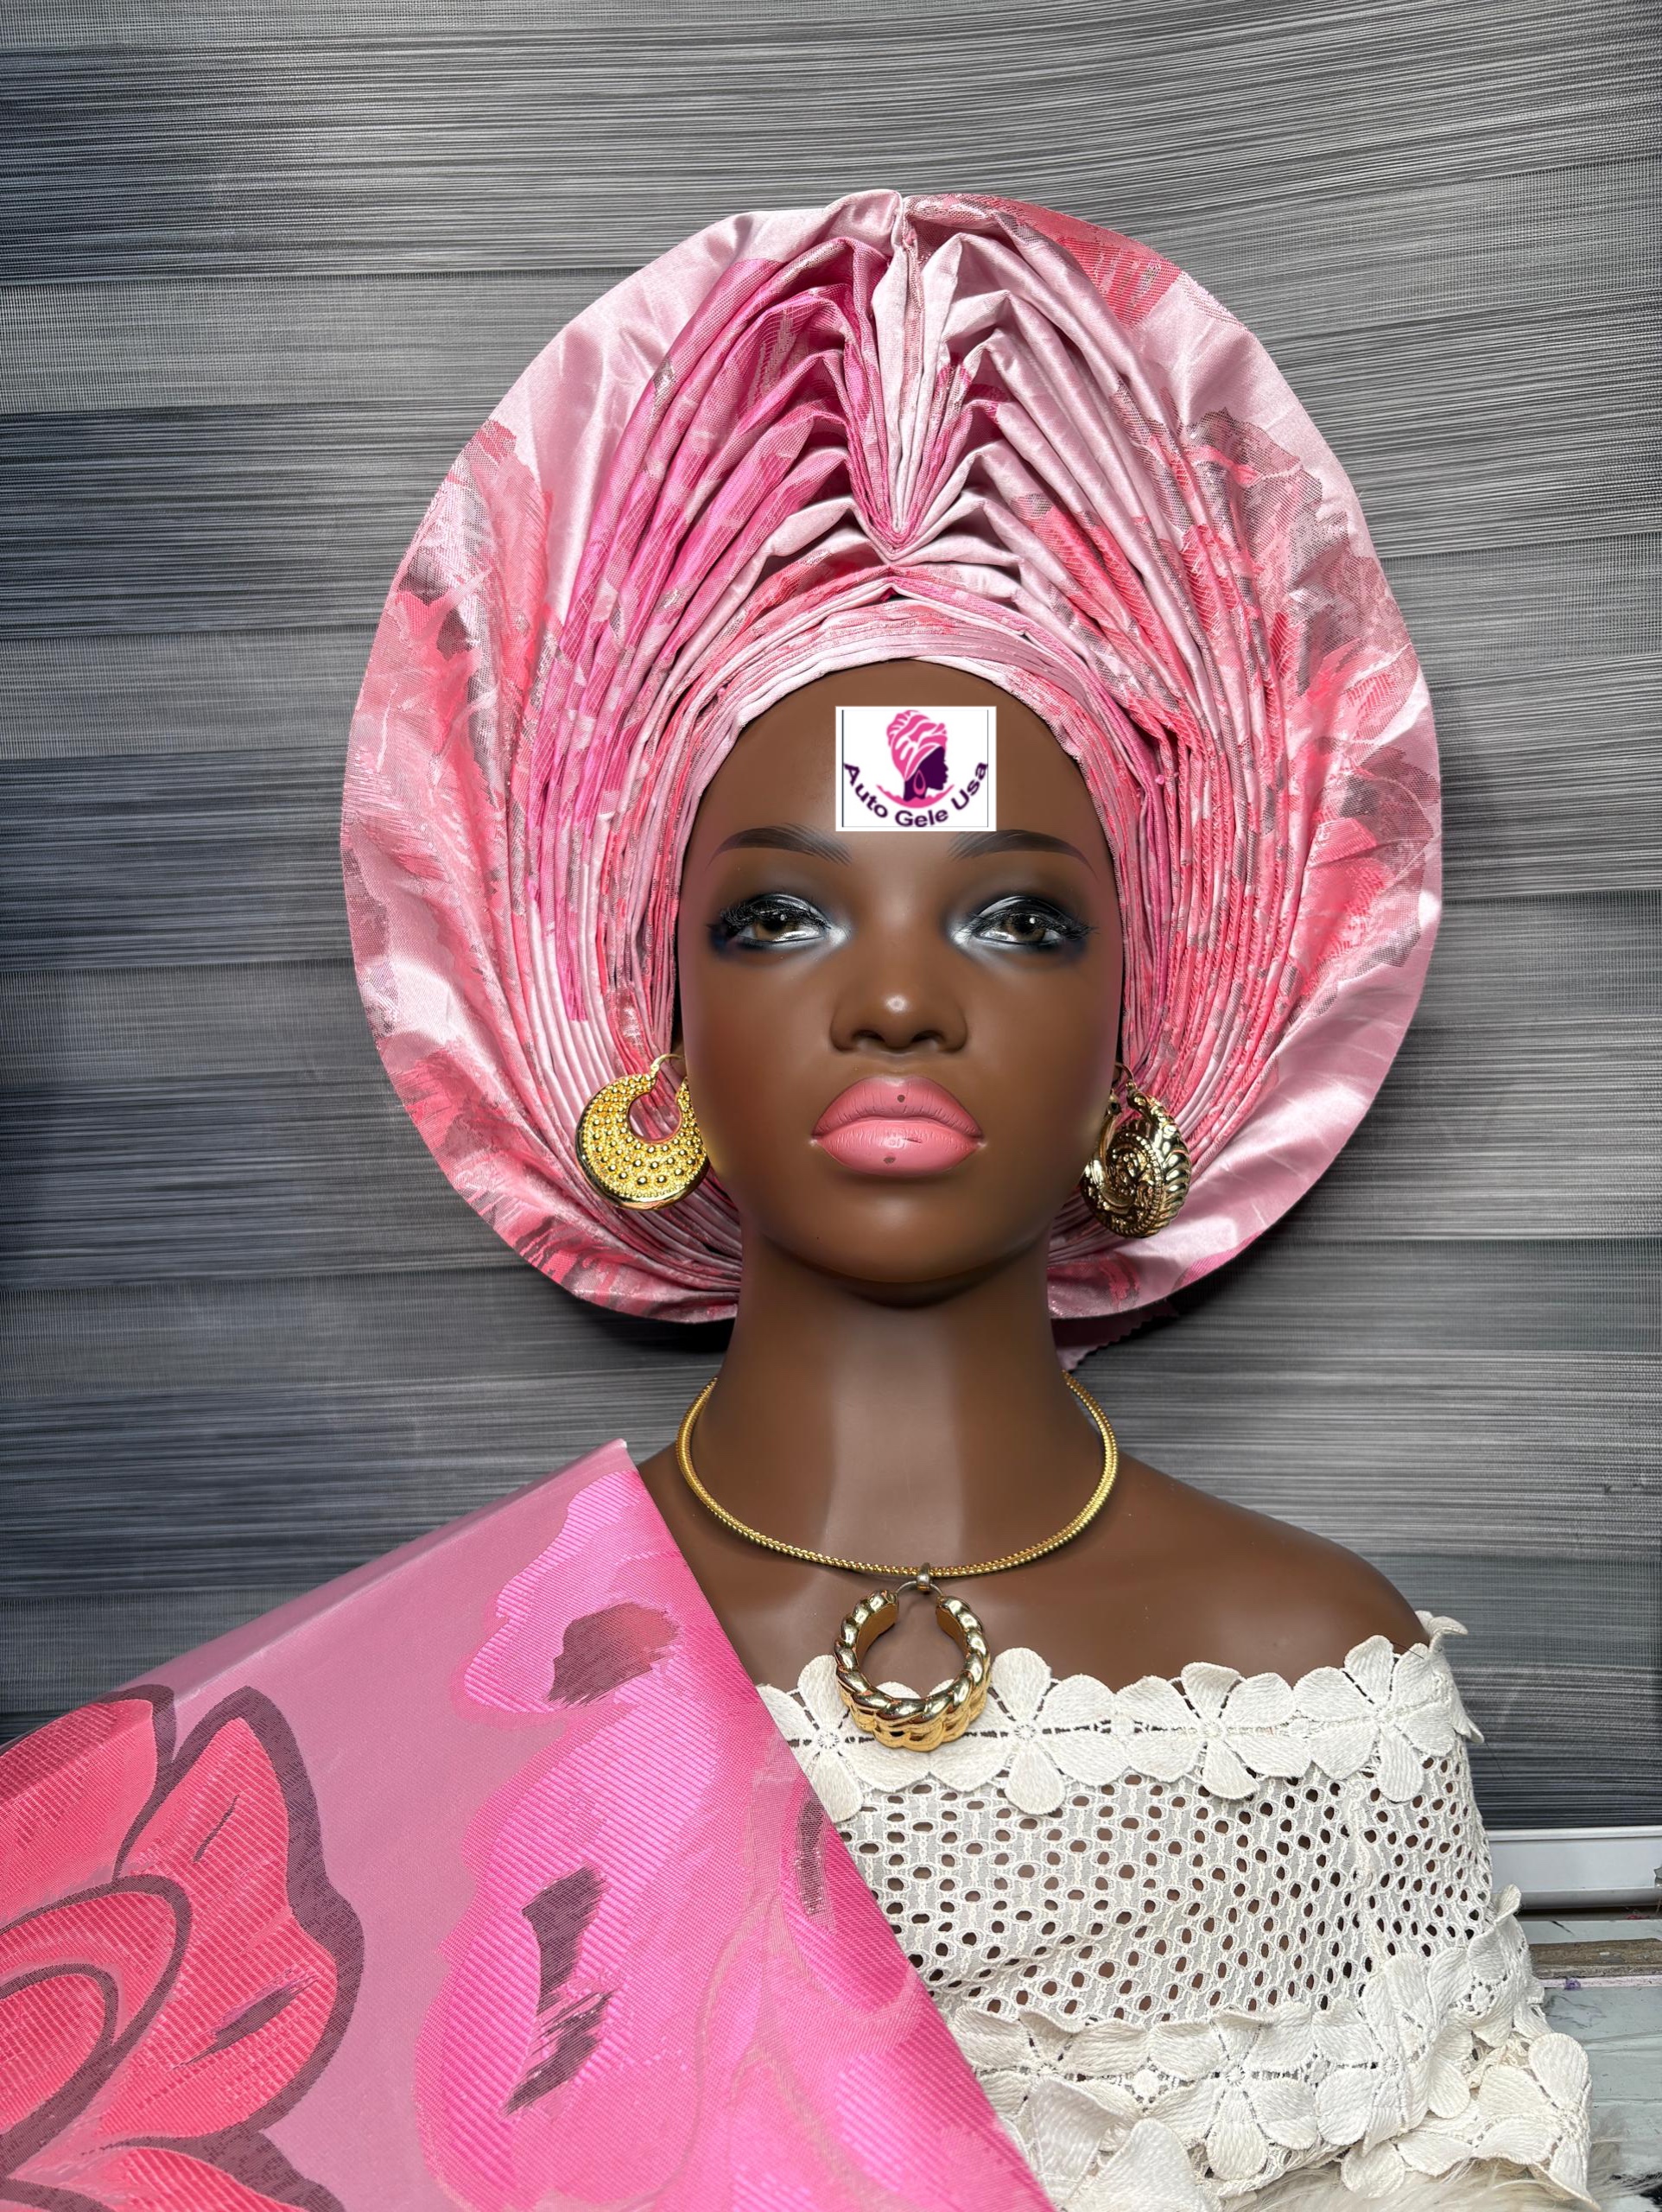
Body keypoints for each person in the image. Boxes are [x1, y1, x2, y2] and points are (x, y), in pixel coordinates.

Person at [1, 193, 1602, 2212]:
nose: (899, 998)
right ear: (648, 1026)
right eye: (778, 917)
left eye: (1014, 917)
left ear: (1153, 1024)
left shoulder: (1306, 1686)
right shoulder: (442, 1709)